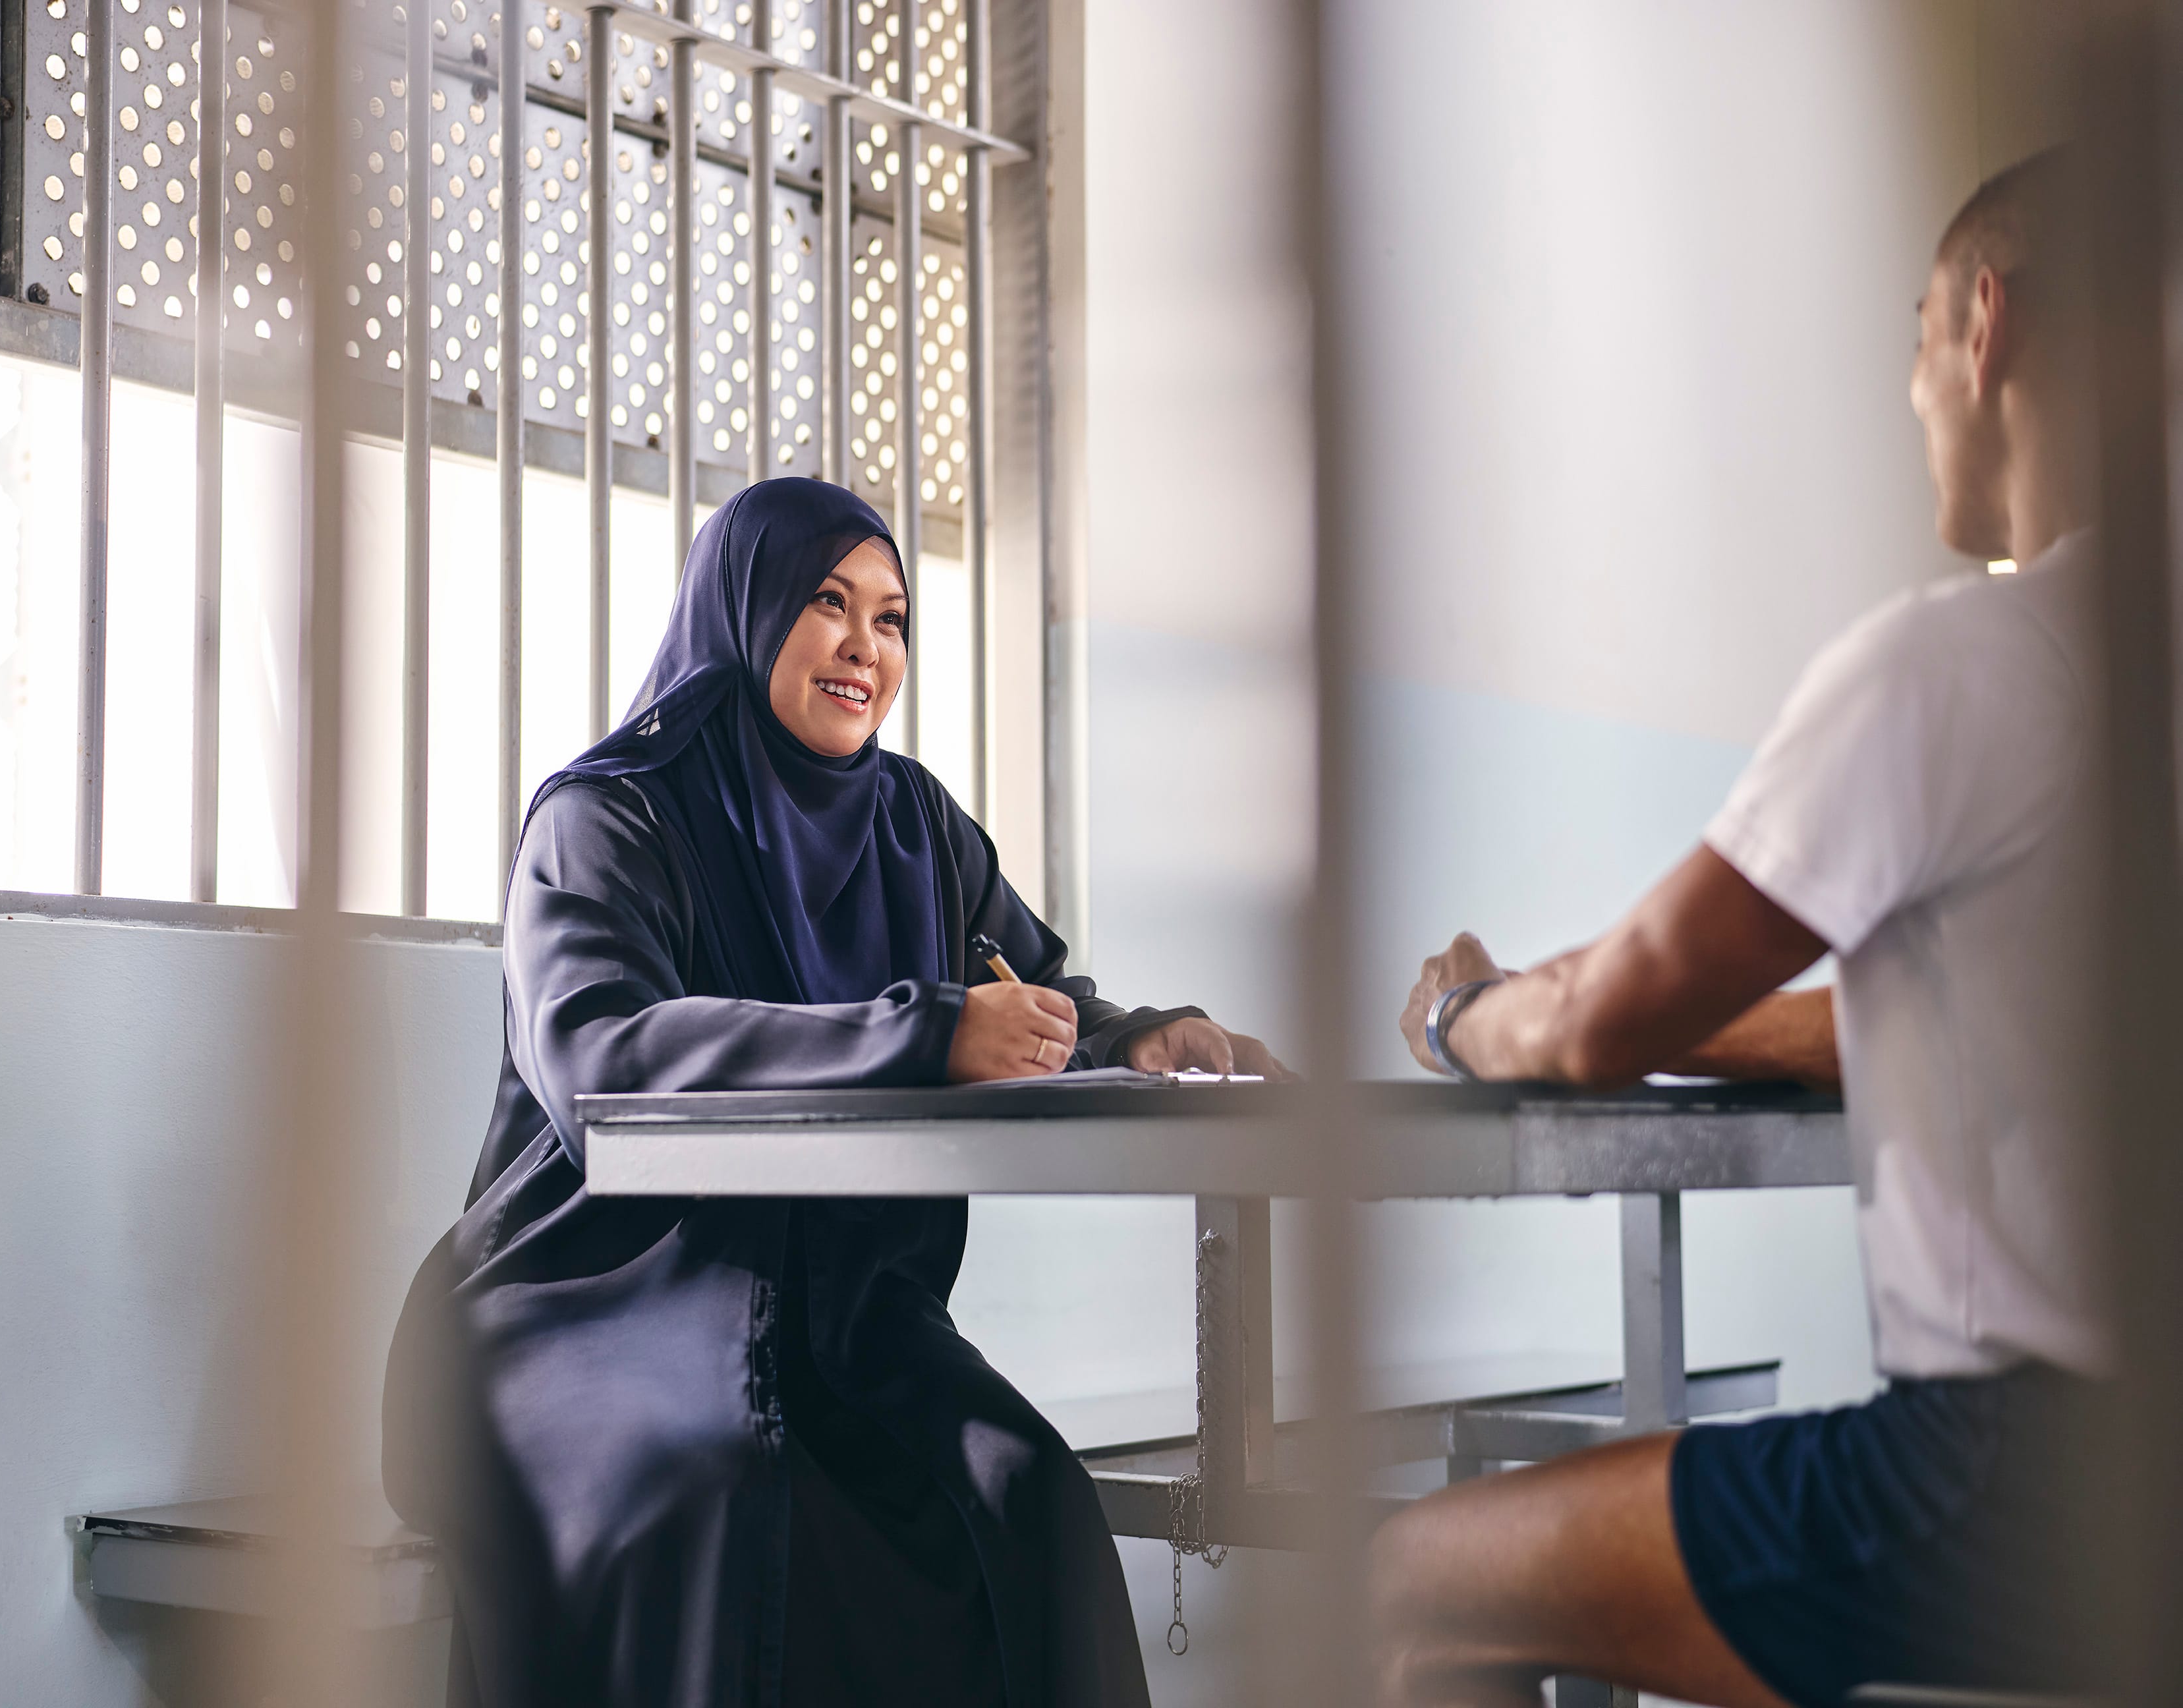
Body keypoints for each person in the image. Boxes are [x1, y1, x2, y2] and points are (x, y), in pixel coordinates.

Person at [1376, 150, 2107, 1708]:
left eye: (1911, 335)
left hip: (2015, 1492)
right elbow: (1943, 1026)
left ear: (1986, 324)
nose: (1911, 391)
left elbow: (1592, 1031)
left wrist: (1466, 1014)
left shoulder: (1956, 661)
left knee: (1419, 1580)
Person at [382, 476, 1283, 1708]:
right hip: (599, 1302)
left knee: (1027, 1491)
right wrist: (923, 1034)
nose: (867, 647)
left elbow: (1027, 993)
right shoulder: (606, 817)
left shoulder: (913, 824)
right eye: (827, 602)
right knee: (725, 1511)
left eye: (894, 617)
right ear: (745, 610)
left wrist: (1142, 1038)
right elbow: (600, 1054)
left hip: (848, 1315)